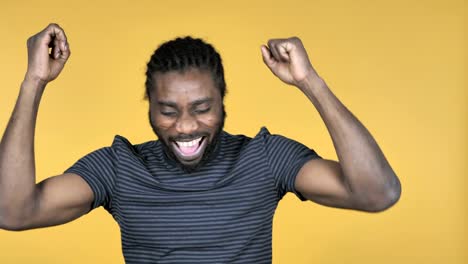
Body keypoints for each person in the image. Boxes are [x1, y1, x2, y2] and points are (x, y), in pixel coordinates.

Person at [0, 23, 401, 263]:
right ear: (150, 108)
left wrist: (309, 81)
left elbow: (377, 193)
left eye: (202, 107)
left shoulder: (266, 158)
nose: (185, 126)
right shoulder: (119, 168)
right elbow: (13, 212)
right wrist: (33, 81)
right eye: (168, 110)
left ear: (223, 101)